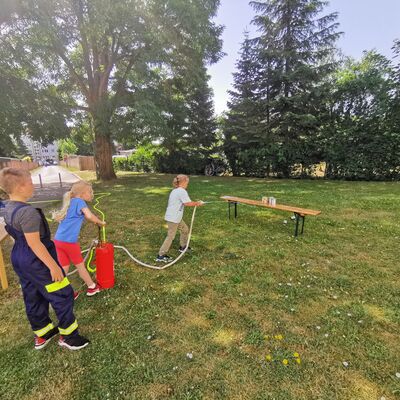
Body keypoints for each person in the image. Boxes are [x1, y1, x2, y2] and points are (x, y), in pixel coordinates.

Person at [0, 168, 89, 350]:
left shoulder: (7, 207)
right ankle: (69, 337)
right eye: (31, 182)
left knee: (33, 295)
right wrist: (53, 267)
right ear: (21, 187)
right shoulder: (28, 213)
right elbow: (35, 244)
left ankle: (43, 332)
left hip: (19, 257)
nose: (33, 185)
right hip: (36, 260)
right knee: (62, 294)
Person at [52, 181, 105, 297]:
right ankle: (92, 287)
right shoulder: (79, 202)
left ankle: (61, 292)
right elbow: (89, 216)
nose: (92, 194)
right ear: (81, 194)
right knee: (80, 266)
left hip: (58, 241)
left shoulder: (70, 202)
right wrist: (101, 222)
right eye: (90, 192)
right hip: (69, 243)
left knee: (64, 267)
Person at [156, 174, 204, 262]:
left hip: (176, 217)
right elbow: (187, 203)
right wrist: (197, 203)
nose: (187, 184)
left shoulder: (176, 190)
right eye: (187, 183)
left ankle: (183, 246)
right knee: (170, 236)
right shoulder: (181, 191)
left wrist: (196, 203)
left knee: (185, 229)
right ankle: (161, 255)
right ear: (184, 182)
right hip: (173, 218)